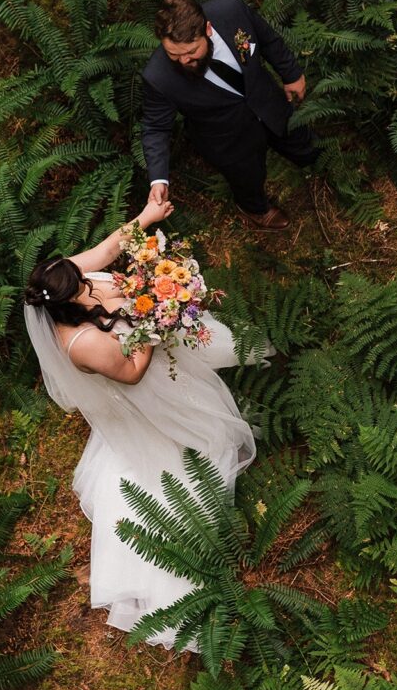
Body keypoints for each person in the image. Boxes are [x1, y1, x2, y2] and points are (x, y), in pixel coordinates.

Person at [23, 197, 260, 650]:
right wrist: (153, 317)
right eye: (85, 289)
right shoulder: (84, 343)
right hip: (146, 389)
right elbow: (131, 374)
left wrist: (147, 218)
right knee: (192, 450)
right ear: (70, 302)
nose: (94, 283)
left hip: (153, 344)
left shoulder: (61, 276)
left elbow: (109, 248)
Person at [141, 0, 318, 232]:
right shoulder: (157, 76)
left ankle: (319, 163)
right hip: (227, 139)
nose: (183, 60)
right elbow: (155, 127)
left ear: (208, 29)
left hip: (269, 102)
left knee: (297, 138)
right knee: (247, 179)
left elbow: (266, 39)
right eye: (173, 54)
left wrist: (292, 74)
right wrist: (158, 178)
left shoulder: (231, 10)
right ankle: (256, 209)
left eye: (191, 51)